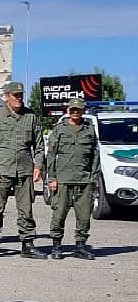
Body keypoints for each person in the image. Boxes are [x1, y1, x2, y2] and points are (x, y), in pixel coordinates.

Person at [0, 81, 46, 260]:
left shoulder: (30, 117)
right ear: (6, 97)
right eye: (15, 95)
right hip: (1, 171)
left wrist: (38, 166)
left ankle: (27, 244)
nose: (19, 98)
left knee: (26, 210)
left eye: (20, 95)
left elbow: (39, 146)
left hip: (24, 171)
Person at [46, 97, 99, 260]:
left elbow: (95, 155)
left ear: (83, 110)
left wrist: (93, 177)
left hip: (84, 180)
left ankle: (80, 246)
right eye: (72, 109)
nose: (75, 112)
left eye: (78, 109)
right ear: (68, 110)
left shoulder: (89, 129)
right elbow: (51, 155)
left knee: (83, 216)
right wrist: (52, 178)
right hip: (63, 179)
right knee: (59, 214)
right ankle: (56, 246)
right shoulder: (59, 129)